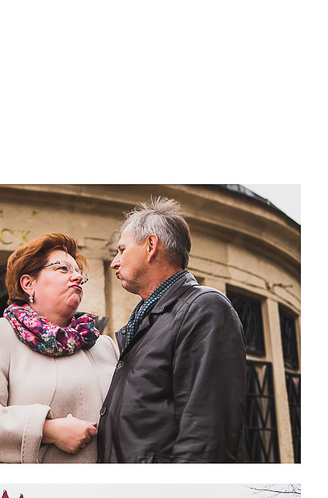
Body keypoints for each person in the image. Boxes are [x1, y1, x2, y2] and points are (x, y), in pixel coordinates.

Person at [95, 197, 249, 462]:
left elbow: (207, 435)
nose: (114, 262)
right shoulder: (145, 321)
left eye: (122, 250)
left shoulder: (204, 308)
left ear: (151, 246)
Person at [0, 231, 116, 463]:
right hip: (21, 494)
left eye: (79, 272)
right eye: (63, 269)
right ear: (28, 284)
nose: (77, 277)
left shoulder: (104, 346)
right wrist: (48, 431)